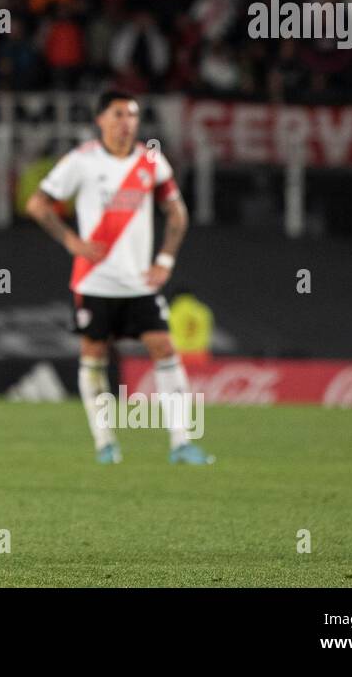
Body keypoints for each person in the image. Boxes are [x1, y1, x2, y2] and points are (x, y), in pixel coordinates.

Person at [25, 90, 212, 465]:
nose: (126, 122)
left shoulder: (151, 161)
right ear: (100, 120)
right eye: (118, 114)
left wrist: (165, 260)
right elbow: (37, 203)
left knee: (164, 348)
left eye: (132, 115)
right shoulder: (82, 161)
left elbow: (177, 213)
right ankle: (105, 443)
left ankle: (181, 443)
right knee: (93, 356)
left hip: (140, 282)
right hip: (94, 281)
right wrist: (71, 241)